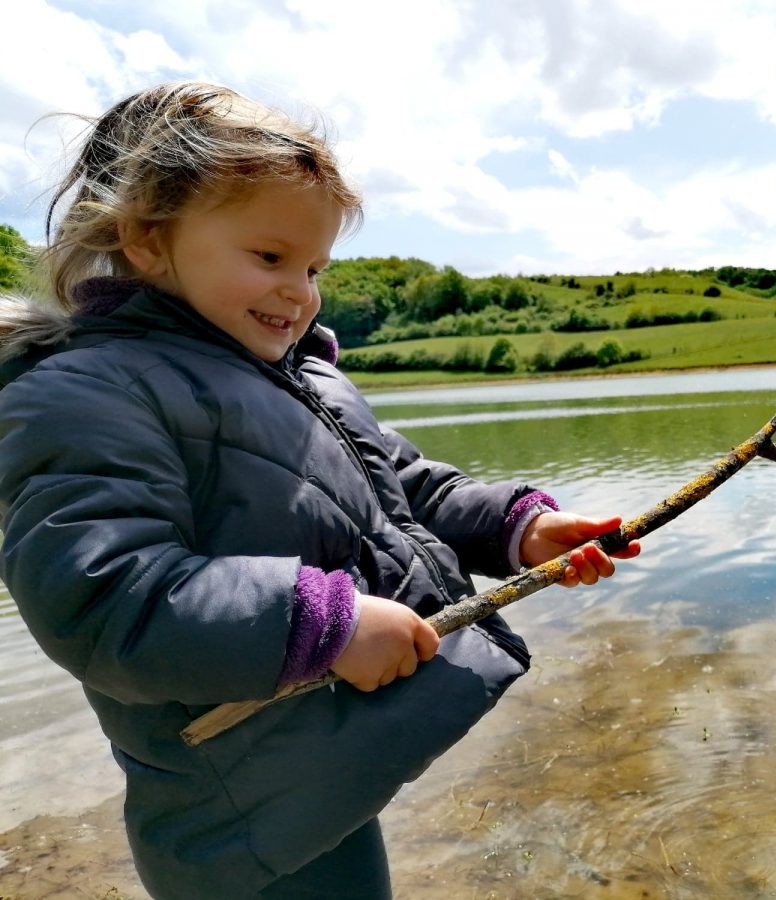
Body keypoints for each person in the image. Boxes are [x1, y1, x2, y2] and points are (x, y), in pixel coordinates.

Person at [0, 82, 639, 899]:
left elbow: (403, 492)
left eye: (314, 267)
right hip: (235, 812)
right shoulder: (83, 393)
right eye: (269, 258)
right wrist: (321, 626)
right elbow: (101, 599)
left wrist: (519, 531)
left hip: (317, 772)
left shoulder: (303, 380)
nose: (300, 291)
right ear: (146, 240)